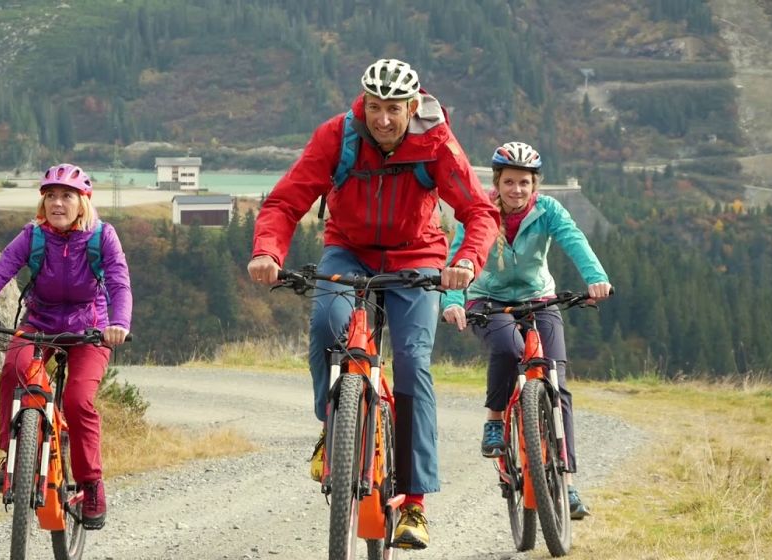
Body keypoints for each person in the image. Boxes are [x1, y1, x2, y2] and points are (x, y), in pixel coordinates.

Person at [247, 58, 500, 549]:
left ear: (413, 106)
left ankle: (413, 503)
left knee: (411, 363)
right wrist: (267, 251)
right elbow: (285, 203)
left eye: (394, 109)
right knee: (327, 325)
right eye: (376, 108)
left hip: (418, 255)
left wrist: (466, 261)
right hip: (349, 250)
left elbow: (477, 210)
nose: (383, 119)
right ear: (364, 103)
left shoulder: (435, 142)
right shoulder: (337, 136)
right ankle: (335, 424)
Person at [0, 163, 132, 530]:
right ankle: (13, 456)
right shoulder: (33, 237)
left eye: (67, 196)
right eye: (51, 196)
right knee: (14, 369)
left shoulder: (102, 237)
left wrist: (119, 324)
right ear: (43, 202)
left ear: (83, 202)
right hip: (40, 324)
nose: (58, 203)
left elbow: (119, 283)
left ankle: (91, 484)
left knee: (78, 401)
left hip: (90, 330)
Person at [441, 141, 612, 520]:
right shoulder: (481, 212)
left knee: (556, 380)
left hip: (539, 299)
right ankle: (494, 421)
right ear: (497, 183)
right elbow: (458, 255)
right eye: (509, 182)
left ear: (535, 185)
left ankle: (566, 482)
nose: (516, 190)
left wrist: (596, 278)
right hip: (488, 299)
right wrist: (452, 300)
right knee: (507, 349)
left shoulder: (548, 209)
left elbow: (574, 241)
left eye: (524, 183)